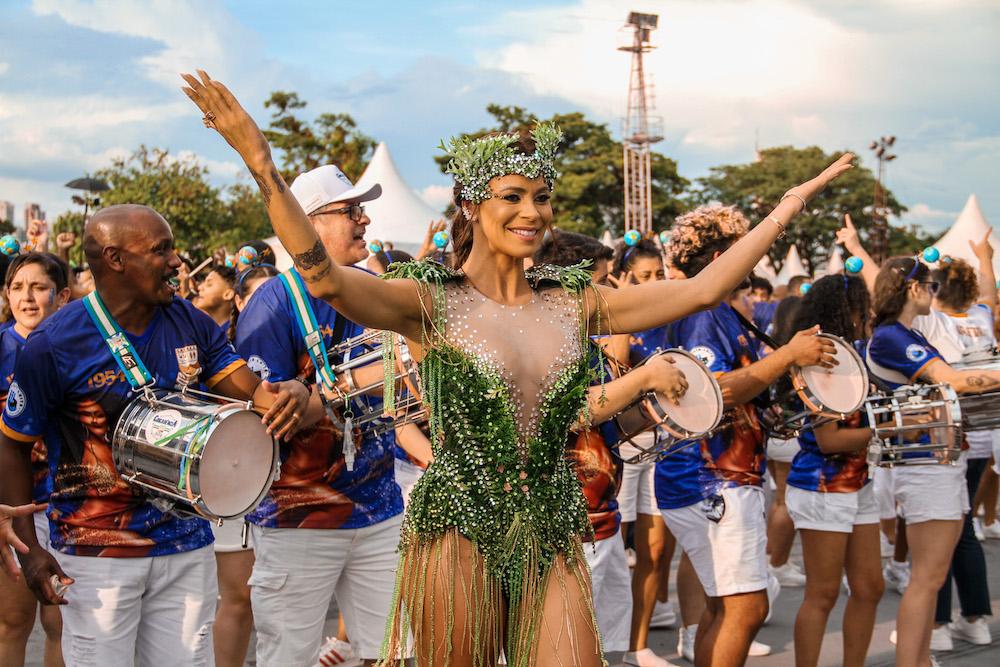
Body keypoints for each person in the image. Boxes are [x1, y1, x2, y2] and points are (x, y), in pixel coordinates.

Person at [181, 67, 853, 666]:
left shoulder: (571, 302)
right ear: (473, 206)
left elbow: (701, 290)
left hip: (551, 518)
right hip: (459, 524)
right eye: (513, 196)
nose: (532, 211)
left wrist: (788, 206)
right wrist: (263, 166)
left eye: (542, 196)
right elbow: (325, 278)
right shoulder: (430, 300)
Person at [0, 205, 308, 666]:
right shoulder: (54, 343)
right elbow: (11, 445)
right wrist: (30, 550)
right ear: (115, 259)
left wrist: (293, 392)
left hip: (186, 544)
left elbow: (254, 395)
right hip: (97, 552)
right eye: (161, 250)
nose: (176, 262)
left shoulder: (190, 321)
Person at [234, 163, 405, 667]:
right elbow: (273, 414)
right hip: (298, 517)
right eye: (350, 210)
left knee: (392, 654)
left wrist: (324, 392)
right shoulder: (272, 303)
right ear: (307, 224)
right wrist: (358, 381)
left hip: (379, 506)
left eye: (362, 209)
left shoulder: (370, 288)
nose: (364, 220)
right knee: (289, 657)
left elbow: (407, 376)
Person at [658, 205, 840, 667]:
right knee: (746, 607)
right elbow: (713, 390)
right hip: (710, 478)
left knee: (725, 606)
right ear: (723, 257)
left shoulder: (719, 311)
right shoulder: (702, 315)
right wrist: (788, 356)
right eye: (749, 249)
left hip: (720, 475)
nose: (756, 259)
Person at [866, 255, 1000, 667]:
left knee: (932, 577)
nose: (934, 293)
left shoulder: (903, 332)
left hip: (937, 461)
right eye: (931, 286)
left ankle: (920, 659)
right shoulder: (892, 336)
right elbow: (954, 380)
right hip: (925, 465)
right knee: (926, 580)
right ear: (914, 288)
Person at [784, 274, 884, 667]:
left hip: (858, 483)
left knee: (870, 587)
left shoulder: (853, 351)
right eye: (863, 306)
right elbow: (829, 440)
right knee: (822, 594)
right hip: (821, 485)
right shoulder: (822, 355)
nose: (868, 314)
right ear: (846, 309)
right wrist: (888, 431)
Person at [911, 242, 996, 650]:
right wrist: (986, 258)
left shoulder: (933, 323)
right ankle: (975, 618)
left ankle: (939, 625)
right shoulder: (981, 318)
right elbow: (989, 293)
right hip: (981, 438)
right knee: (963, 527)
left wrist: (858, 248)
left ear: (933, 290)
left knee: (938, 533)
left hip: (945, 438)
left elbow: (886, 288)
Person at [0, 252, 71, 667]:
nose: (26, 297)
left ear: (62, 296)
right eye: (17, 287)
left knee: (62, 622)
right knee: (13, 620)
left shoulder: (78, 348)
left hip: (67, 504)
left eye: (39, 287)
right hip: (11, 507)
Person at [193, 264, 237, 330]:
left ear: (228, 294)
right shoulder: (206, 331)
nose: (199, 287)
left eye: (209, 284)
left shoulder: (239, 332)